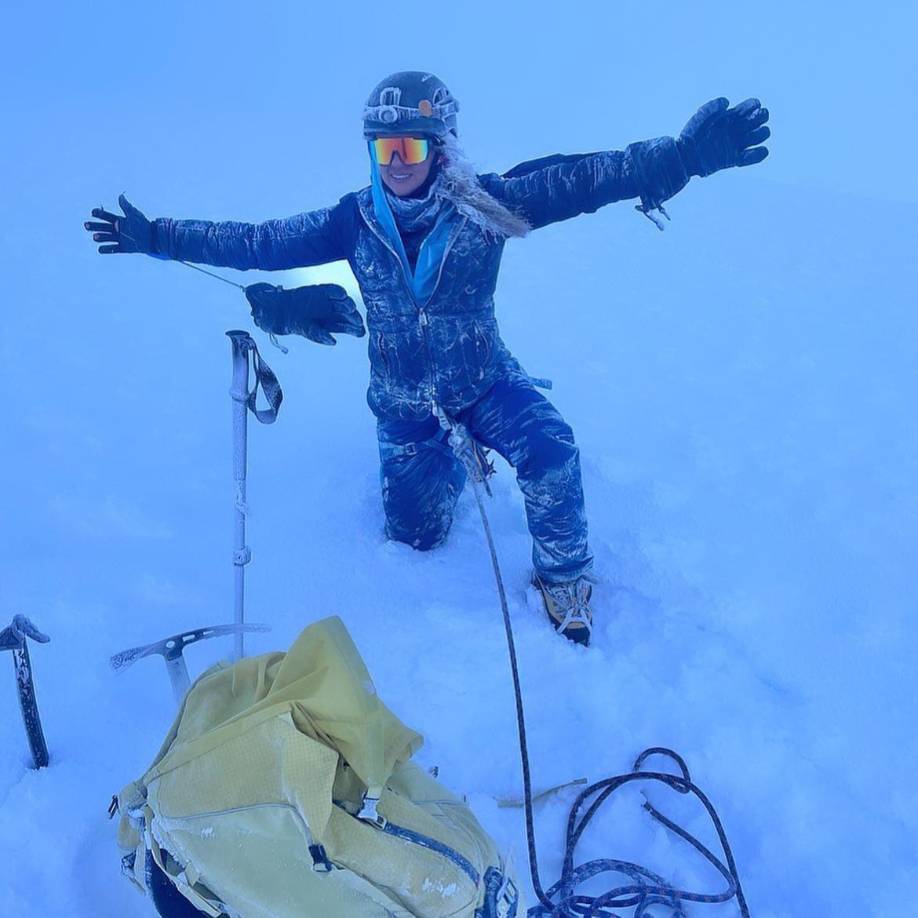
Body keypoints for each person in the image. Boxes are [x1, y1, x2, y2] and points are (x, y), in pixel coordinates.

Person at [85, 71, 770, 646]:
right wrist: (160, 236)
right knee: (415, 537)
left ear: (440, 146)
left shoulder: (488, 204)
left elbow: (585, 179)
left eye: (412, 143)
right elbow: (259, 242)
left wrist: (678, 159)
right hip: (405, 407)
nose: (399, 160)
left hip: (484, 382)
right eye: (384, 149)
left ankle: (565, 581)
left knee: (552, 451)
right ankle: (454, 456)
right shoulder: (352, 220)